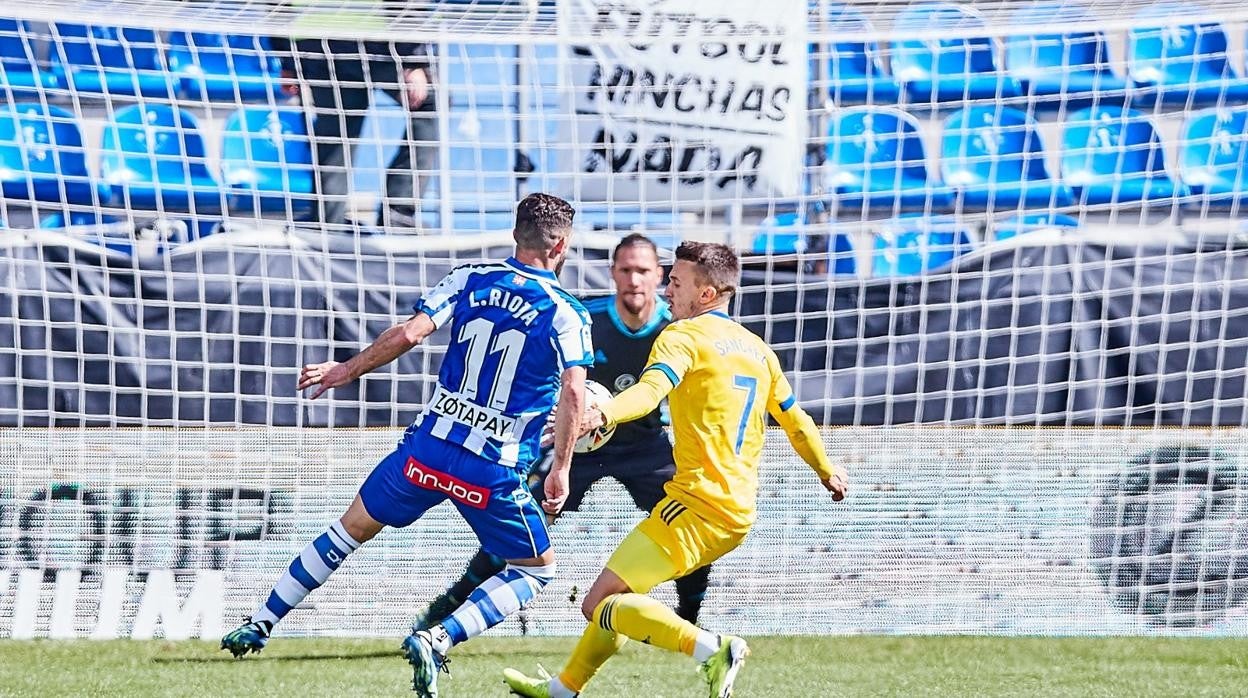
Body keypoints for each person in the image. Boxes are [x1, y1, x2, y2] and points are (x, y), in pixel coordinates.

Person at [221, 193, 591, 698]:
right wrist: (561, 468)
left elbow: (410, 334)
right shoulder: (567, 313)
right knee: (536, 571)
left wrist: (343, 369)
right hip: (492, 468)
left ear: (515, 234)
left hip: (427, 450)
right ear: (563, 245)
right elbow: (573, 391)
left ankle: (261, 622)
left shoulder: (469, 278)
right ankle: (438, 638)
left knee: (347, 531)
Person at [503, 241, 849, 698]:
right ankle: (564, 688)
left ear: (706, 293)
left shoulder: (682, 336)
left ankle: (712, 648)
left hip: (696, 505)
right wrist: (827, 471)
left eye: (676, 282)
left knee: (599, 603)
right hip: (737, 513)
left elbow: (649, 393)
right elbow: (797, 421)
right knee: (618, 596)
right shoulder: (759, 350)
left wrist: (601, 414)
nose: (666, 290)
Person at [411, 233, 713, 634]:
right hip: (577, 447)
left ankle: (689, 618)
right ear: (613, 274)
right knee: (519, 523)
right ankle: (451, 603)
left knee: (690, 520)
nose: (634, 280)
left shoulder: (677, 331)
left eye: (643, 271)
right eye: (626, 270)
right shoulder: (588, 319)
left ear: (659, 275)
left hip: (644, 445)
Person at [270, 2, 438, 228]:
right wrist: (413, 59)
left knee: (335, 138)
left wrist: (288, 60)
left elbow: (275, 5)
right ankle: (397, 213)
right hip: (374, 40)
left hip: (315, 42)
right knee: (429, 103)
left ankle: (329, 224)